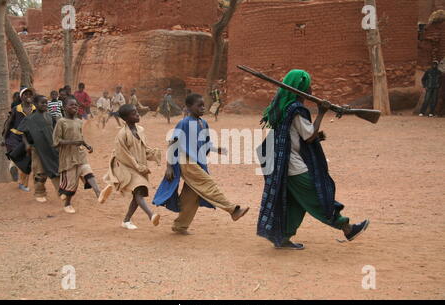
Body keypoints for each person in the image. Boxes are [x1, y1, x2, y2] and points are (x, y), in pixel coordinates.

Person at [257, 69, 370, 250]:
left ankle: (283, 237)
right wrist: (322, 112)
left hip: (284, 165)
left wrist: (317, 135)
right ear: (301, 87)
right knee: (318, 197)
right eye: (309, 84)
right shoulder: (296, 109)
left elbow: (295, 136)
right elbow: (309, 136)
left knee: (296, 203)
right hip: (294, 167)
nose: (312, 87)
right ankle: (347, 228)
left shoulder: (284, 107)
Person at [153, 93, 249, 235]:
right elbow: (172, 142)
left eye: (204, 105)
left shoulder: (203, 123)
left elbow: (205, 143)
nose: (203, 108)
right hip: (186, 162)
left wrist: (217, 149)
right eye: (199, 105)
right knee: (208, 184)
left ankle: (180, 226)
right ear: (189, 107)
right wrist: (168, 166)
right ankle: (233, 209)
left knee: (192, 196)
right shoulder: (184, 123)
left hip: (197, 161)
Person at [99, 104, 162, 230]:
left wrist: (153, 154)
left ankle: (126, 220)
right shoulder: (122, 134)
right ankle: (151, 215)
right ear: (126, 118)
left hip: (140, 166)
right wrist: (137, 166)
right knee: (139, 189)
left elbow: (143, 148)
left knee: (137, 194)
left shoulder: (141, 130)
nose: (137, 114)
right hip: (127, 167)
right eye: (134, 113)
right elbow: (123, 154)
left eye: (137, 112)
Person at [53, 97, 101, 214]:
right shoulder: (61, 122)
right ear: (64, 108)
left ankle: (99, 193)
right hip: (68, 157)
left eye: (76, 105)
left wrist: (87, 145)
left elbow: (80, 137)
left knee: (88, 171)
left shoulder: (79, 121)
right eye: (71, 105)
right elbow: (56, 141)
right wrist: (72, 142)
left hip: (80, 154)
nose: (75, 107)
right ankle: (67, 203)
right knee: (72, 184)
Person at [18, 95, 60, 203]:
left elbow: (55, 131)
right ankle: (39, 192)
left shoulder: (50, 116)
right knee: (39, 171)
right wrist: (27, 144)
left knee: (55, 169)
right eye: (43, 103)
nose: (45, 105)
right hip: (37, 149)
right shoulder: (29, 118)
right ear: (35, 104)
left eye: (46, 103)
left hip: (51, 148)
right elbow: (22, 133)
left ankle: (61, 192)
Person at [2, 87, 36, 191]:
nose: (28, 96)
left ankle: (22, 183)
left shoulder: (35, 109)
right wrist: (4, 137)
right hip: (15, 136)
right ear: (21, 97)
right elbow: (8, 123)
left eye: (30, 94)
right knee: (17, 155)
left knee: (27, 160)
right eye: (26, 94)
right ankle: (13, 167)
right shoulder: (16, 109)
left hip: (29, 137)